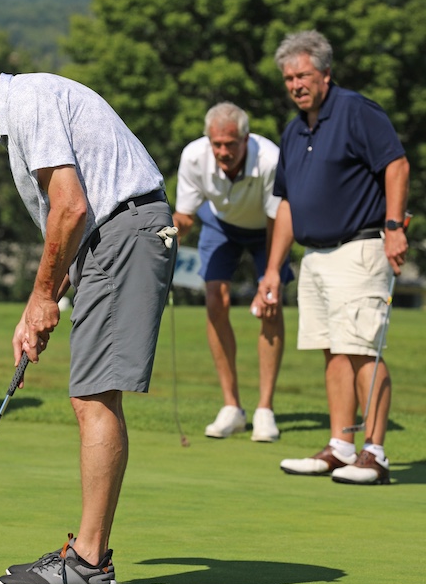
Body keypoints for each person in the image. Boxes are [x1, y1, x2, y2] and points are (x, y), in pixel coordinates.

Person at [0, 48, 177, 584]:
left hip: (123, 233)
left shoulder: (28, 102)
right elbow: (71, 222)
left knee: (94, 396)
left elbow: (71, 208)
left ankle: (86, 562)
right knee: (91, 394)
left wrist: (41, 297)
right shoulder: (26, 111)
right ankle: (87, 557)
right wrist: (39, 305)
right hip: (114, 239)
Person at [259, 30, 409, 485]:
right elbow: (286, 203)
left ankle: (375, 453)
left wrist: (395, 226)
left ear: (325, 74)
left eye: (302, 75)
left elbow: (396, 165)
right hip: (315, 256)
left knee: (362, 349)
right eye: (288, 77)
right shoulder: (293, 128)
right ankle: (342, 446)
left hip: (360, 248)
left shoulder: (357, 111)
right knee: (333, 351)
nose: (295, 84)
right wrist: (271, 269)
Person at [174, 103, 291, 443]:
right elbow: (186, 215)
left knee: (269, 302)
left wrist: (270, 276)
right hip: (221, 224)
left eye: (231, 144)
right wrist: (172, 232)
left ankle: (265, 409)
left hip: (268, 228)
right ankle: (232, 407)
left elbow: (277, 218)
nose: (223, 151)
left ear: (245, 138)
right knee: (215, 298)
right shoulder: (194, 156)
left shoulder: (269, 159)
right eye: (217, 144)